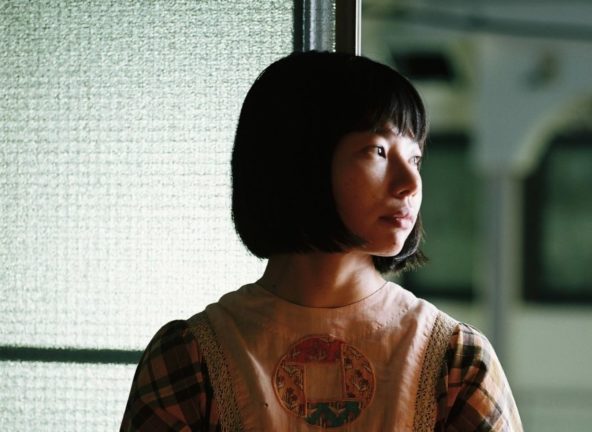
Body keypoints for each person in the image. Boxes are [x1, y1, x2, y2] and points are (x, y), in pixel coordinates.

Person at [121, 51, 523, 431]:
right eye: (378, 151)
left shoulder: (456, 361)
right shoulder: (191, 358)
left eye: (415, 158)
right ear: (299, 160)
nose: (410, 183)